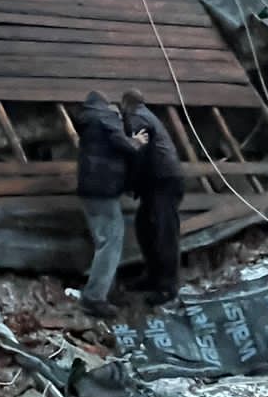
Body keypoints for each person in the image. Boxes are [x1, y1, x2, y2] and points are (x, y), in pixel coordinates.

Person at [73, 91, 139, 316]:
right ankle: (94, 298)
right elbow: (124, 145)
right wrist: (137, 142)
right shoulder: (105, 119)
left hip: (89, 189)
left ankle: (106, 290)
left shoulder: (88, 121)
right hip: (103, 191)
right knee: (110, 241)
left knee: (105, 241)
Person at [120, 89, 185, 305]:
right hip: (157, 180)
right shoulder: (145, 115)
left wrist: (129, 182)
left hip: (163, 180)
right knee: (145, 227)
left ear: (125, 104)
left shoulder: (137, 118)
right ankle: (153, 276)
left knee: (163, 232)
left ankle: (168, 286)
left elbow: (139, 152)